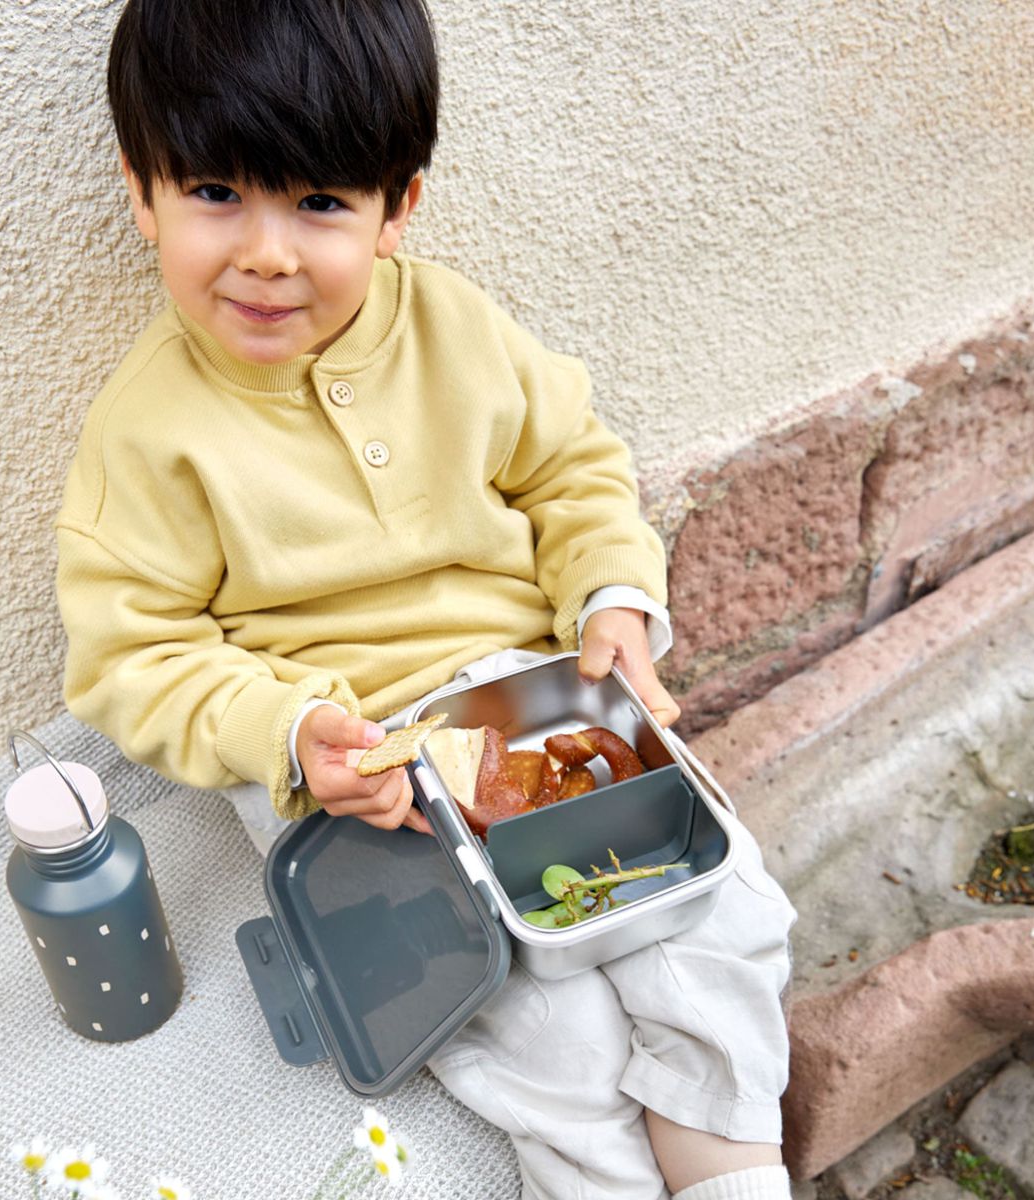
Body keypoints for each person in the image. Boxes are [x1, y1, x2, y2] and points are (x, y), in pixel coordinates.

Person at [55, 2, 796, 1197]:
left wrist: (611, 596)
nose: (267, 254)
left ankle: (731, 1174)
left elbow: (572, 472)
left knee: (717, 927)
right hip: (359, 777)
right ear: (142, 193)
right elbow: (132, 655)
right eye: (215, 193)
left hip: (540, 708)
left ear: (396, 206)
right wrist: (288, 732)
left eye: (319, 203)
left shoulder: (453, 327)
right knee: (537, 1033)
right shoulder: (145, 433)